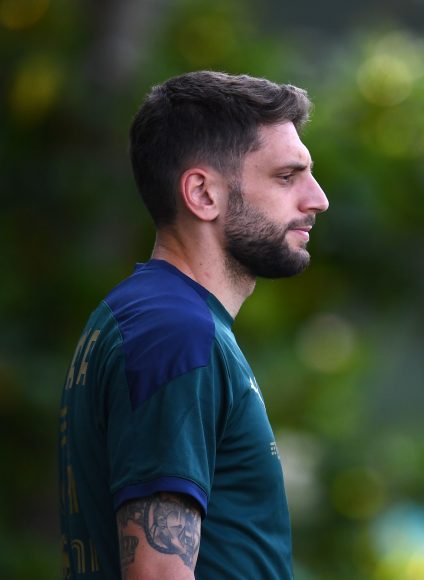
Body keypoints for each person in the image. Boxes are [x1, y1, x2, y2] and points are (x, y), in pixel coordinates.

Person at [58, 70, 329, 579]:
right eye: (286, 177)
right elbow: (158, 572)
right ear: (203, 194)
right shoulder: (175, 333)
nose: (317, 199)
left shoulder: (153, 319)